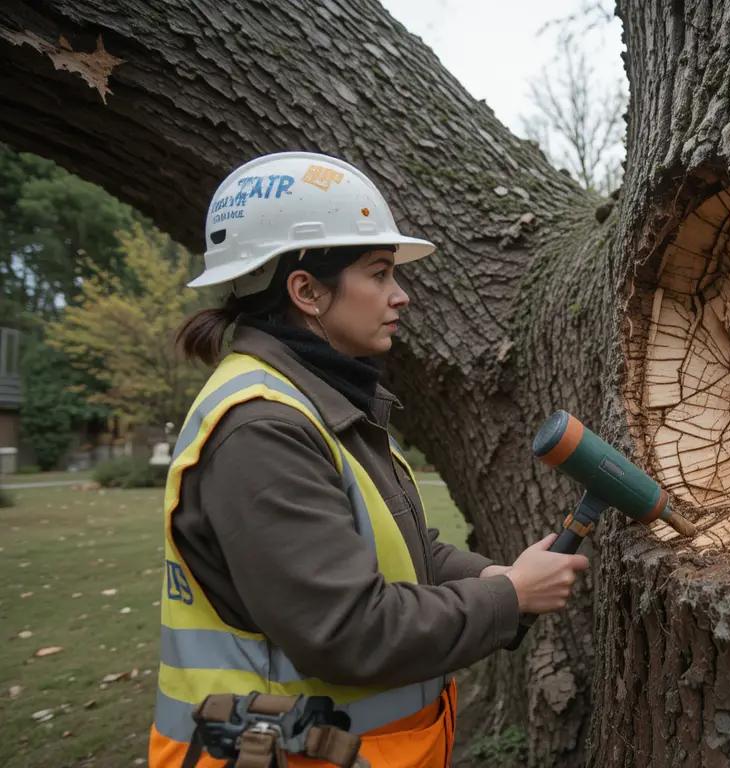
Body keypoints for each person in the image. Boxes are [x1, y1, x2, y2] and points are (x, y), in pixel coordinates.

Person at [148, 151, 589, 767]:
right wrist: (509, 597)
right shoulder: (263, 429)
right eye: (379, 273)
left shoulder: (320, 401)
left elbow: (403, 548)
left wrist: (490, 576)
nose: (400, 295)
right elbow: (348, 631)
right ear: (306, 290)